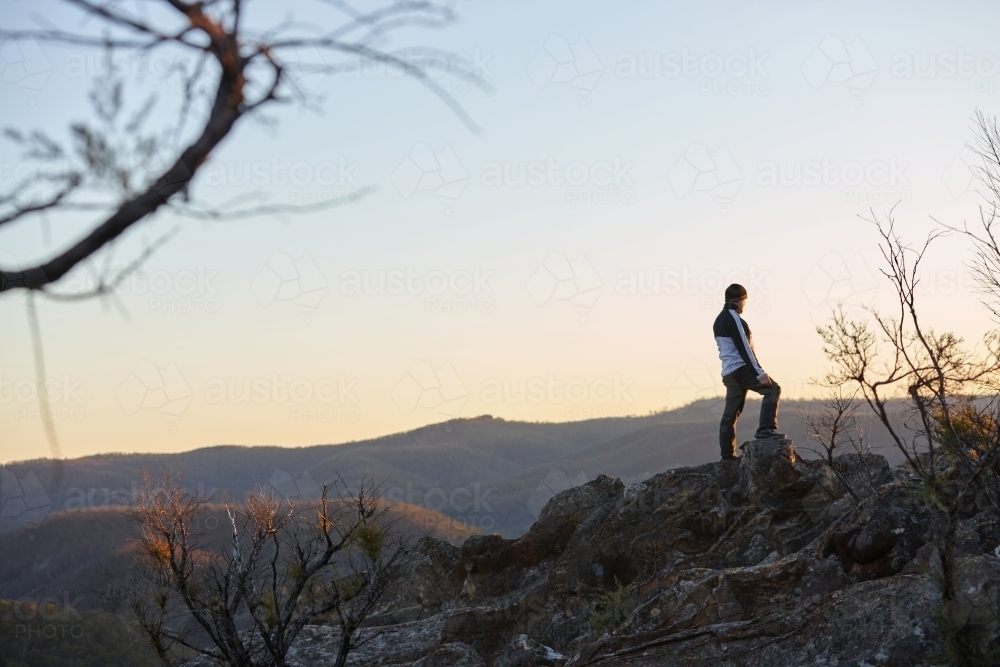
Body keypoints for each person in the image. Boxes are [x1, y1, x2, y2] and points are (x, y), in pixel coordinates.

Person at [713, 283, 784, 460]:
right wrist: (759, 372)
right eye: (744, 301)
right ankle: (766, 430)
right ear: (740, 301)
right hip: (741, 369)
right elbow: (744, 347)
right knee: (772, 389)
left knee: (730, 414)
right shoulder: (733, 318)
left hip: (728, 373)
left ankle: (727, 456)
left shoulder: (719, 319)